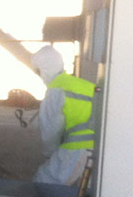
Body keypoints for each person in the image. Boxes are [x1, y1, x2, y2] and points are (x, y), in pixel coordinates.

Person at [31, 44, 96, 185]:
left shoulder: (56, 90)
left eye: (38, 72)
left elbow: (50, 131)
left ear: (44, 70)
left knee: (42, 183)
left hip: (76, 151)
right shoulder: (85, 85)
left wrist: (50, 155)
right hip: (100, 150)